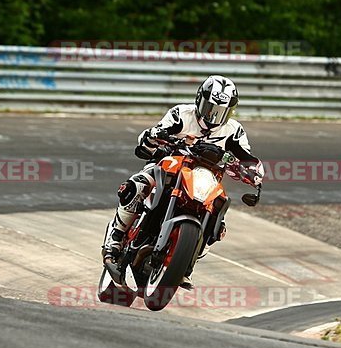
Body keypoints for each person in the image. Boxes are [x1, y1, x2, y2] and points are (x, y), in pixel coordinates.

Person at [102, 75, 264, 287]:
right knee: (136, 185)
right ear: (199, 100)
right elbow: (151, 137)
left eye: (221, 112)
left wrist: (254, 175)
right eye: (209, 108)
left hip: (206, 179)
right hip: (169, 167)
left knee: (219, 219)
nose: (213, 116)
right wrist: (153, 137)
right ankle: (115, 239)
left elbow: (248, 160)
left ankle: (186, 263)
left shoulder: (234, 131)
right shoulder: (181, 114)